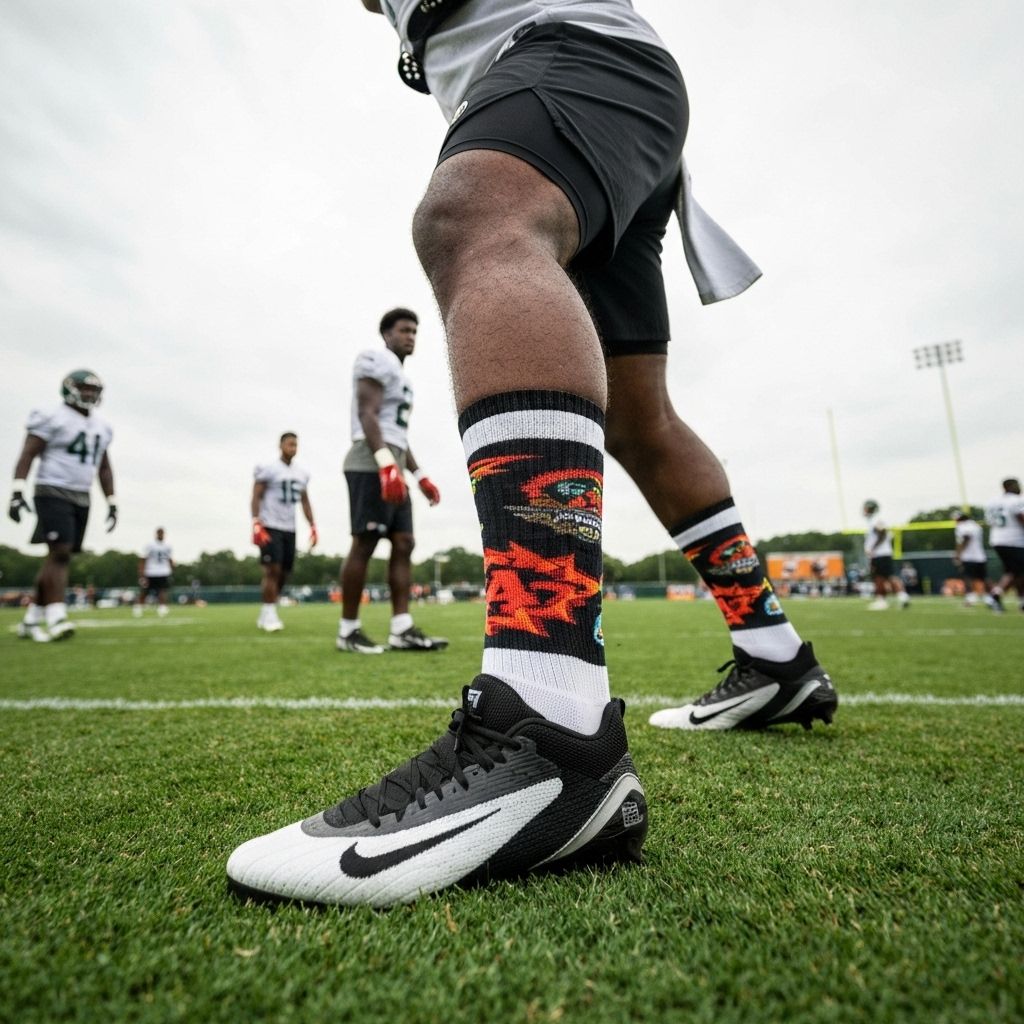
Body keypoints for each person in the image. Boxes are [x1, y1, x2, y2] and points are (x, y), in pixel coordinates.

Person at [226, 0, 836, 908]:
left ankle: (552, 724)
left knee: (475, 216)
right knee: (640, 418)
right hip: (611, 89)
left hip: (568, 48)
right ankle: (776, 654)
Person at [335, 307, 448, 654]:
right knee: (366, 541)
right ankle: (348, 630)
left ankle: (401, 629)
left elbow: (397, 433)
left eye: (414, 331)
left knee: (404, 542)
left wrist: (419, 474)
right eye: (404, 330)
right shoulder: (375, 359)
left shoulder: (402, 377)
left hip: (392, 460)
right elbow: (366, 413)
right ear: (386, 334)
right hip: (369, 460)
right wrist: (385, 464)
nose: (410, 336)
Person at [8, 369, 116, 643]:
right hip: (52, 489)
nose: (90, 394)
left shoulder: (102, 426)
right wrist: (17, 490)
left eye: (94, 390)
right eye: (85, 388)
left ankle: (31, 620)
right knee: (60, 553)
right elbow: (28, 454)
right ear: (69, 389)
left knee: (59, 556)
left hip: (82, 494)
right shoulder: (52, 416)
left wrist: (112, 501)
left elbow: (104, 467)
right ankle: (56, 616)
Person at [251, 432, 317, 632]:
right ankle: (270, 614)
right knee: (272, 570)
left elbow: (305, 501)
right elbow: (256, 495)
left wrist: (312, 525)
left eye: (295, 445)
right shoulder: (269, 469)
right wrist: (256, 521)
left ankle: (266, 610)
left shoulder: (301, 473)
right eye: (290, 444)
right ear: (280, 446)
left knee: (285, 572)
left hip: (290, 527)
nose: (293, 448)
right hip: (270, 525)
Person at [861, 500, 910, 610]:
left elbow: (882, 533)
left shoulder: (875, 520)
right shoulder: (873, 521)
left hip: (880, 555)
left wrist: (872, 548)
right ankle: (895, 598)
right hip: (881, 555)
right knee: (882, 577)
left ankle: (889, 599)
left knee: (883, 577)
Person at [986, 477, 1024, 612]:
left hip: (997, 539)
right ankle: (995, 595)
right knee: (1015, 571)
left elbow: (990, 521)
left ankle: (1021, 600)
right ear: (1009, 487)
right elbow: (1021, 518)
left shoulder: (993, 501)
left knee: (1017, 571)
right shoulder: (1017, 500)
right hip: (1014, 540)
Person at [952, 510, 1000, 611]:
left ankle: (971, 598)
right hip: (980, 556)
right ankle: (990, 598)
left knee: (968, 577)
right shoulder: (975, 525)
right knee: (983, 578)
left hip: (968, 556)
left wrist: (958, 554)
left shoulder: (962, 526)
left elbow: (966, 538)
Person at [135, 527, 175, 618]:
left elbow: (170, 559)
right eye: (159, 533)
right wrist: (142, 573)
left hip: (163, 571)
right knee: (145, 591)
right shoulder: (150, 545)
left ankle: (162, 608)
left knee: (162, 590)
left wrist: (172, 568)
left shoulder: (168, 546)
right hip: (151, 571)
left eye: (162, 533)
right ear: (156, 534)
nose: (161, 535)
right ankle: (139, 607)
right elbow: (143, 559)